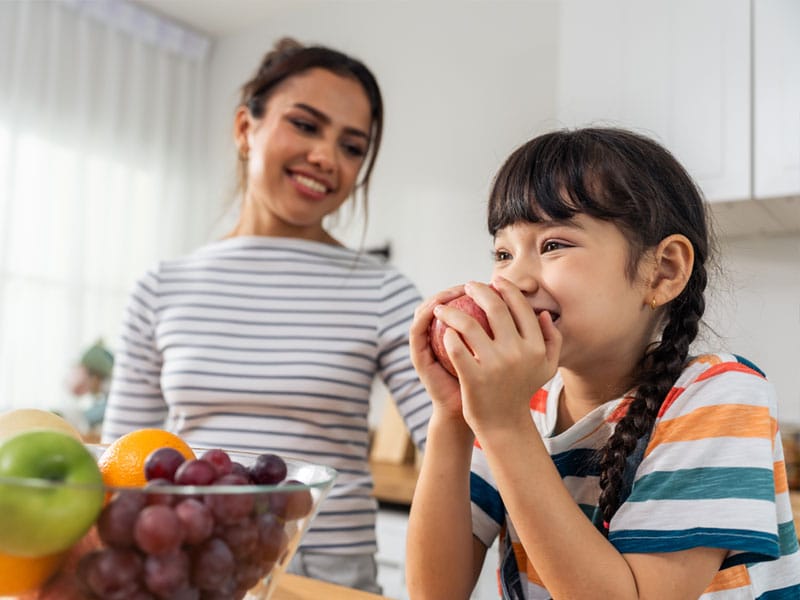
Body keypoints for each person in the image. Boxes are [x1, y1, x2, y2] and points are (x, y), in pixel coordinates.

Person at [405, 127, 800, 599]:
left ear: (664, 270)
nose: (514, 279)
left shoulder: (719, 395)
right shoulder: (517, 404)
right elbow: (435, 593)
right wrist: (453, 415)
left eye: (553, 245)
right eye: (503, 253)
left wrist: (505, 425)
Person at [101, 37, 432, 594]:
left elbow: (458, 451)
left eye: (353, 147)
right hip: (192, 570)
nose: (327, 156)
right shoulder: (161, 287)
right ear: (244, 128)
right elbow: (124, 467)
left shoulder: (386, 292)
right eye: (305, 125)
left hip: (327, 579)